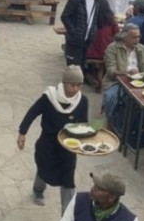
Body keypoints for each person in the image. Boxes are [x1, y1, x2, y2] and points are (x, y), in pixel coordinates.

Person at [17, 66, 90, 212]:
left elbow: (83, 125)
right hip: (48, 144)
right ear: (64, 83)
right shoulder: (49, 97)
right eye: (72, 85)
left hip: (68, 148)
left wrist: (85, 140)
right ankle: (38, 190)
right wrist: (22, 132)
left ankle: (66, 216)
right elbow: (32, 112)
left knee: (68, 181)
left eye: (78, 85)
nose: (75, 88)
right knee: (44, 170)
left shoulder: (82, 101)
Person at [102, 23, 144, 129]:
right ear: (125, 37)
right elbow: (111, 71)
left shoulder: (143, 49)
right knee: (114, 98)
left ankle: (140, 128)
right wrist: (126, 73)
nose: (137, 39)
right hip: (116, 82)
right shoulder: (112, 48)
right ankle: (111, 125)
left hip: (140, 82)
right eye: (134, 37)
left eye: (139, 36)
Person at [61, 0, 112, 68]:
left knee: (82, 68)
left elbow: (94, 17)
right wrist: (74, 32)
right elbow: (65, 16)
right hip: (74, 41)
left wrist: (93, 31)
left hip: (87, 41)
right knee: (73, 69)